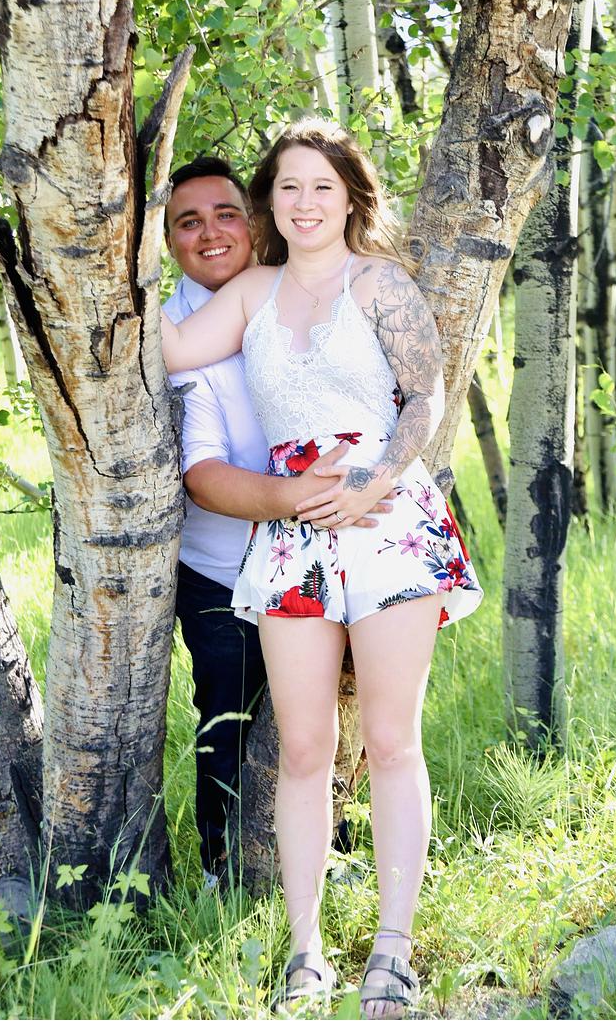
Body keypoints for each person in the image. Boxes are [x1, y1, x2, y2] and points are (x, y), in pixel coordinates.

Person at [162, 122, 483, 1018]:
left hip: (385, 519)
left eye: (322, 187)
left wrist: (375, 480)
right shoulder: (250, 292)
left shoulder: (379, 283)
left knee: (389, 740)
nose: (305, 204)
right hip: (294, 535)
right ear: (270, 201)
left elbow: (426, 394)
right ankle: (306, 952)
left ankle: (393, 950)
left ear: (350, 198)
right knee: (303, 748)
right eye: (289, 187)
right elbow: (172, 350)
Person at [163, 156, 393, 888]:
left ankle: (337, 854)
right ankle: (223, 870)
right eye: (188, 222)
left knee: (333, 712)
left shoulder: (309, 288)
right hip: (223, 566)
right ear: (166, 241)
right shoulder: (170, 336)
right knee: (229, 713)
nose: (211, 233)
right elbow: (201, 474)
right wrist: (299, 496)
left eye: (226, 214)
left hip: (340, 550)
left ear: (253, 219)